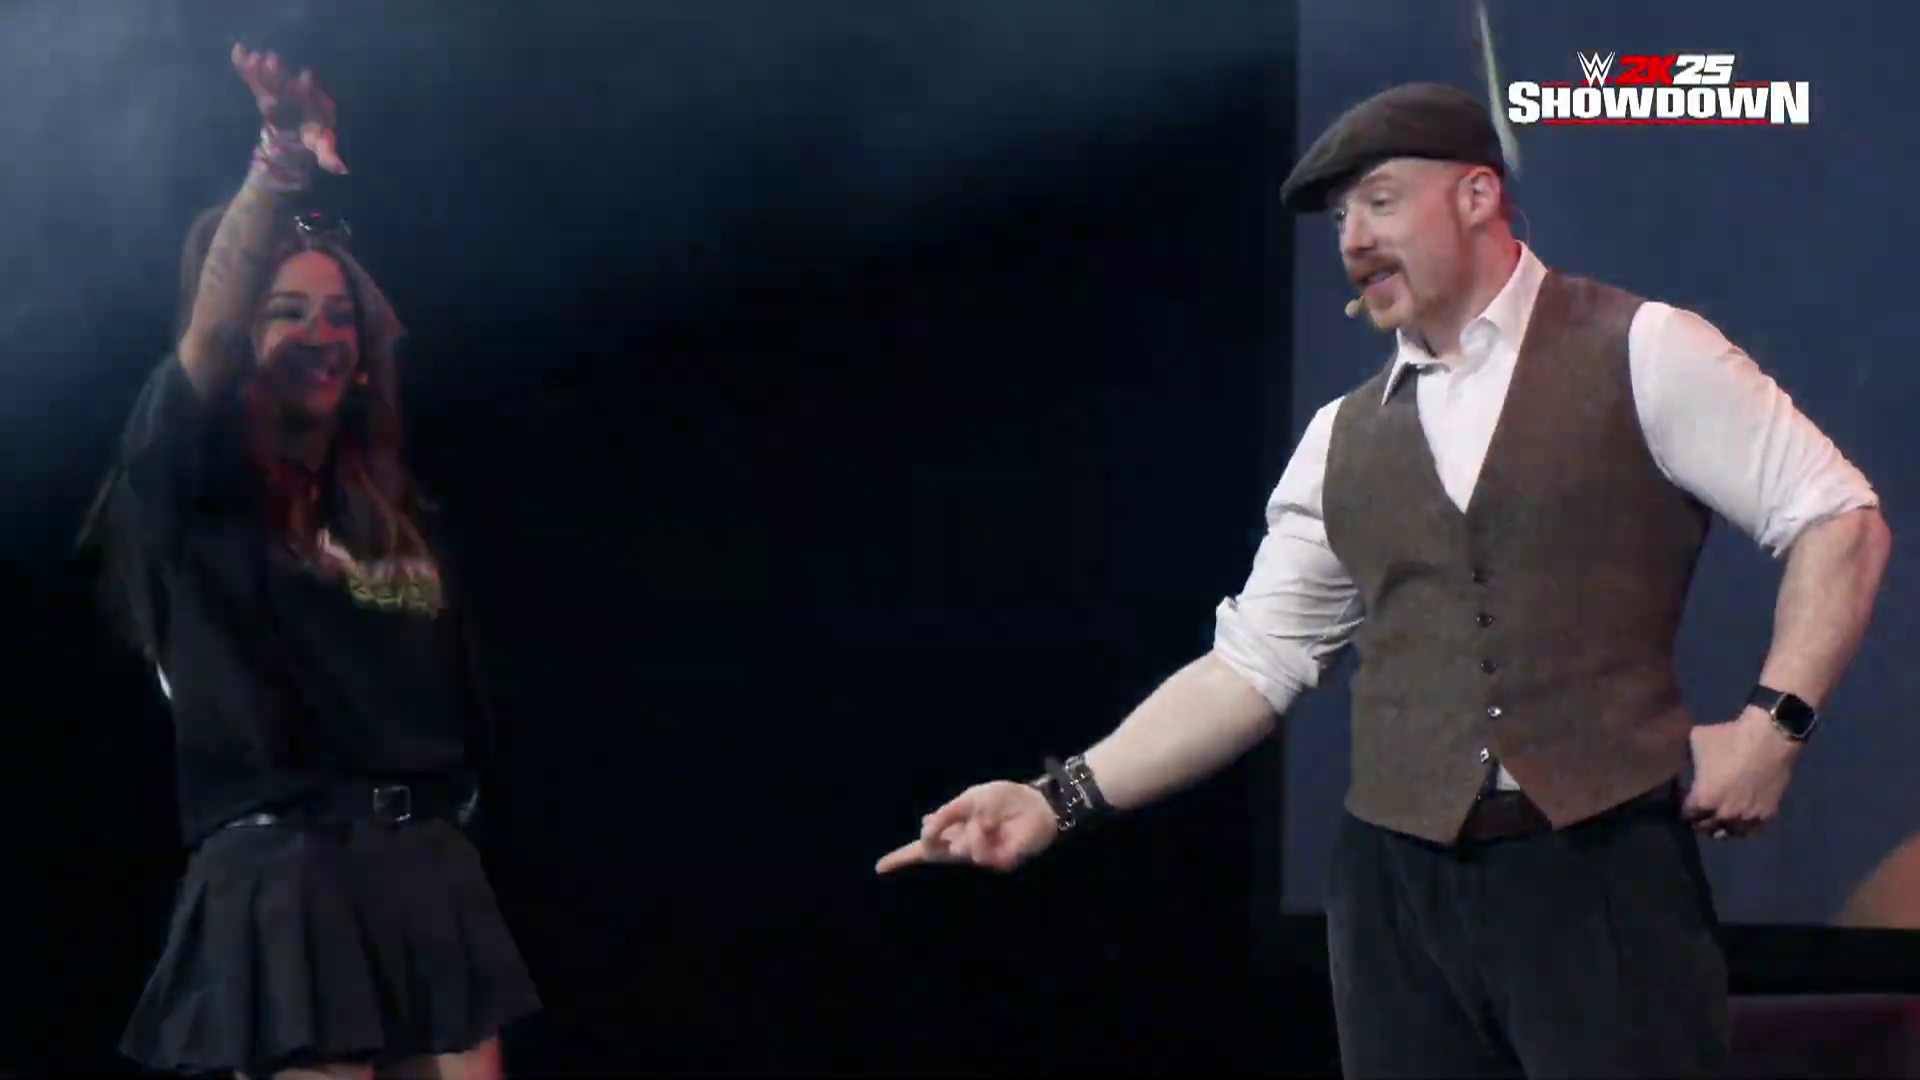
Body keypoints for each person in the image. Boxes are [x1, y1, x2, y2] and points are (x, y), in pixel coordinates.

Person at [876, 82, 1892, 1078]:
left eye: (1380, 200)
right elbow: (1252, 667)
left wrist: (1774, 726)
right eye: (1339, 218)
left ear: (1478, 195)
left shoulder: (1642, 349)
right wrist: (1059, 800)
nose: (1353, 239)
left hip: (1598, 878)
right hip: (1396, 899)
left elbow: (1838, 517)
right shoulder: (1343, 436)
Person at [76, 46, 540, 1079]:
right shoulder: (188, 490)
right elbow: (206, 336)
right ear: (241, 341)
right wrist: (278, 164)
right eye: (286, 313)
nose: (320, 334)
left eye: (337, 315)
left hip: (425, 868)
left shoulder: (399, 517)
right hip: (286, 876)